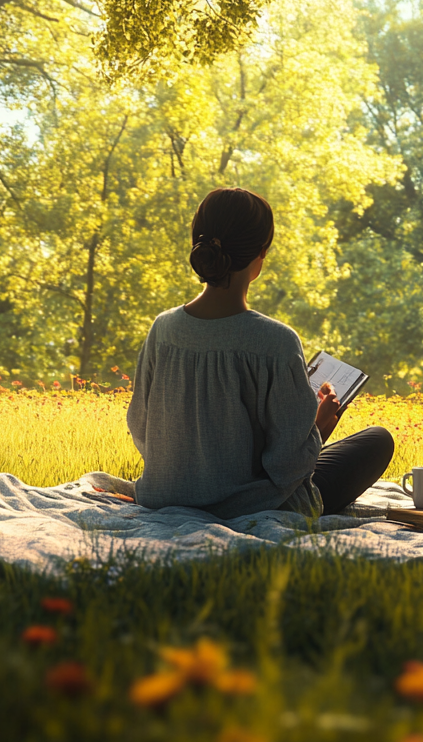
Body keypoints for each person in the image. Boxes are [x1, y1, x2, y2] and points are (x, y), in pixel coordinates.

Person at [125, 187, 394, 518]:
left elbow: (140, 426)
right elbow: (287, 466)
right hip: (252, 507)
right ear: (260, 255)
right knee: (377, 440)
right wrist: (318, 428)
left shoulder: (162, 330)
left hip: (162, 498)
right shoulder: (276, 341)